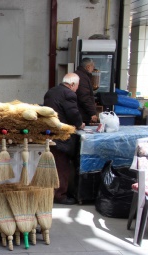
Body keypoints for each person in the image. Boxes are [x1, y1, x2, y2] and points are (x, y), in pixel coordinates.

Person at [43, 73, 85, 205]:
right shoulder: (69, 94)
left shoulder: (51, 91)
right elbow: (73, 113)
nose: (77, 89)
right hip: (62, 135)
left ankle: (50, 192)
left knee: (52, 165)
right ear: (72, 84)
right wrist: (80, 124)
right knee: (62, 166)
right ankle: (60, 195)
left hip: (50, 132)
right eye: (77, 86)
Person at [74, 58, 98, 125]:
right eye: (93, 67)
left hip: (78, 112)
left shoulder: (79, 75)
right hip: (81, 113)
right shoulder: (82, 77)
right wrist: (92, 112)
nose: (93, 69)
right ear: (88, 67)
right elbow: (84, 96)